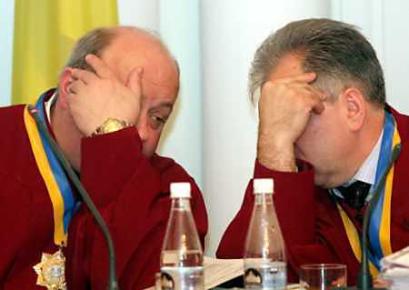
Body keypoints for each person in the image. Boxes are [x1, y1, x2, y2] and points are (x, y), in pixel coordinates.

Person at [0, 26, 207, 290]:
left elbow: (136, 281)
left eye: (157, 118)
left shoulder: (170, 190)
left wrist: (112, 140)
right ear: (69, 88)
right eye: (123, 101)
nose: (142, 133)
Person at [217, 18, 409, 285]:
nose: (287, 131)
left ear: (352, 108)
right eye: (277, 118)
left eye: (295, 112)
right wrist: (273, 149)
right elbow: (242, 277)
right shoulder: (301, 183)